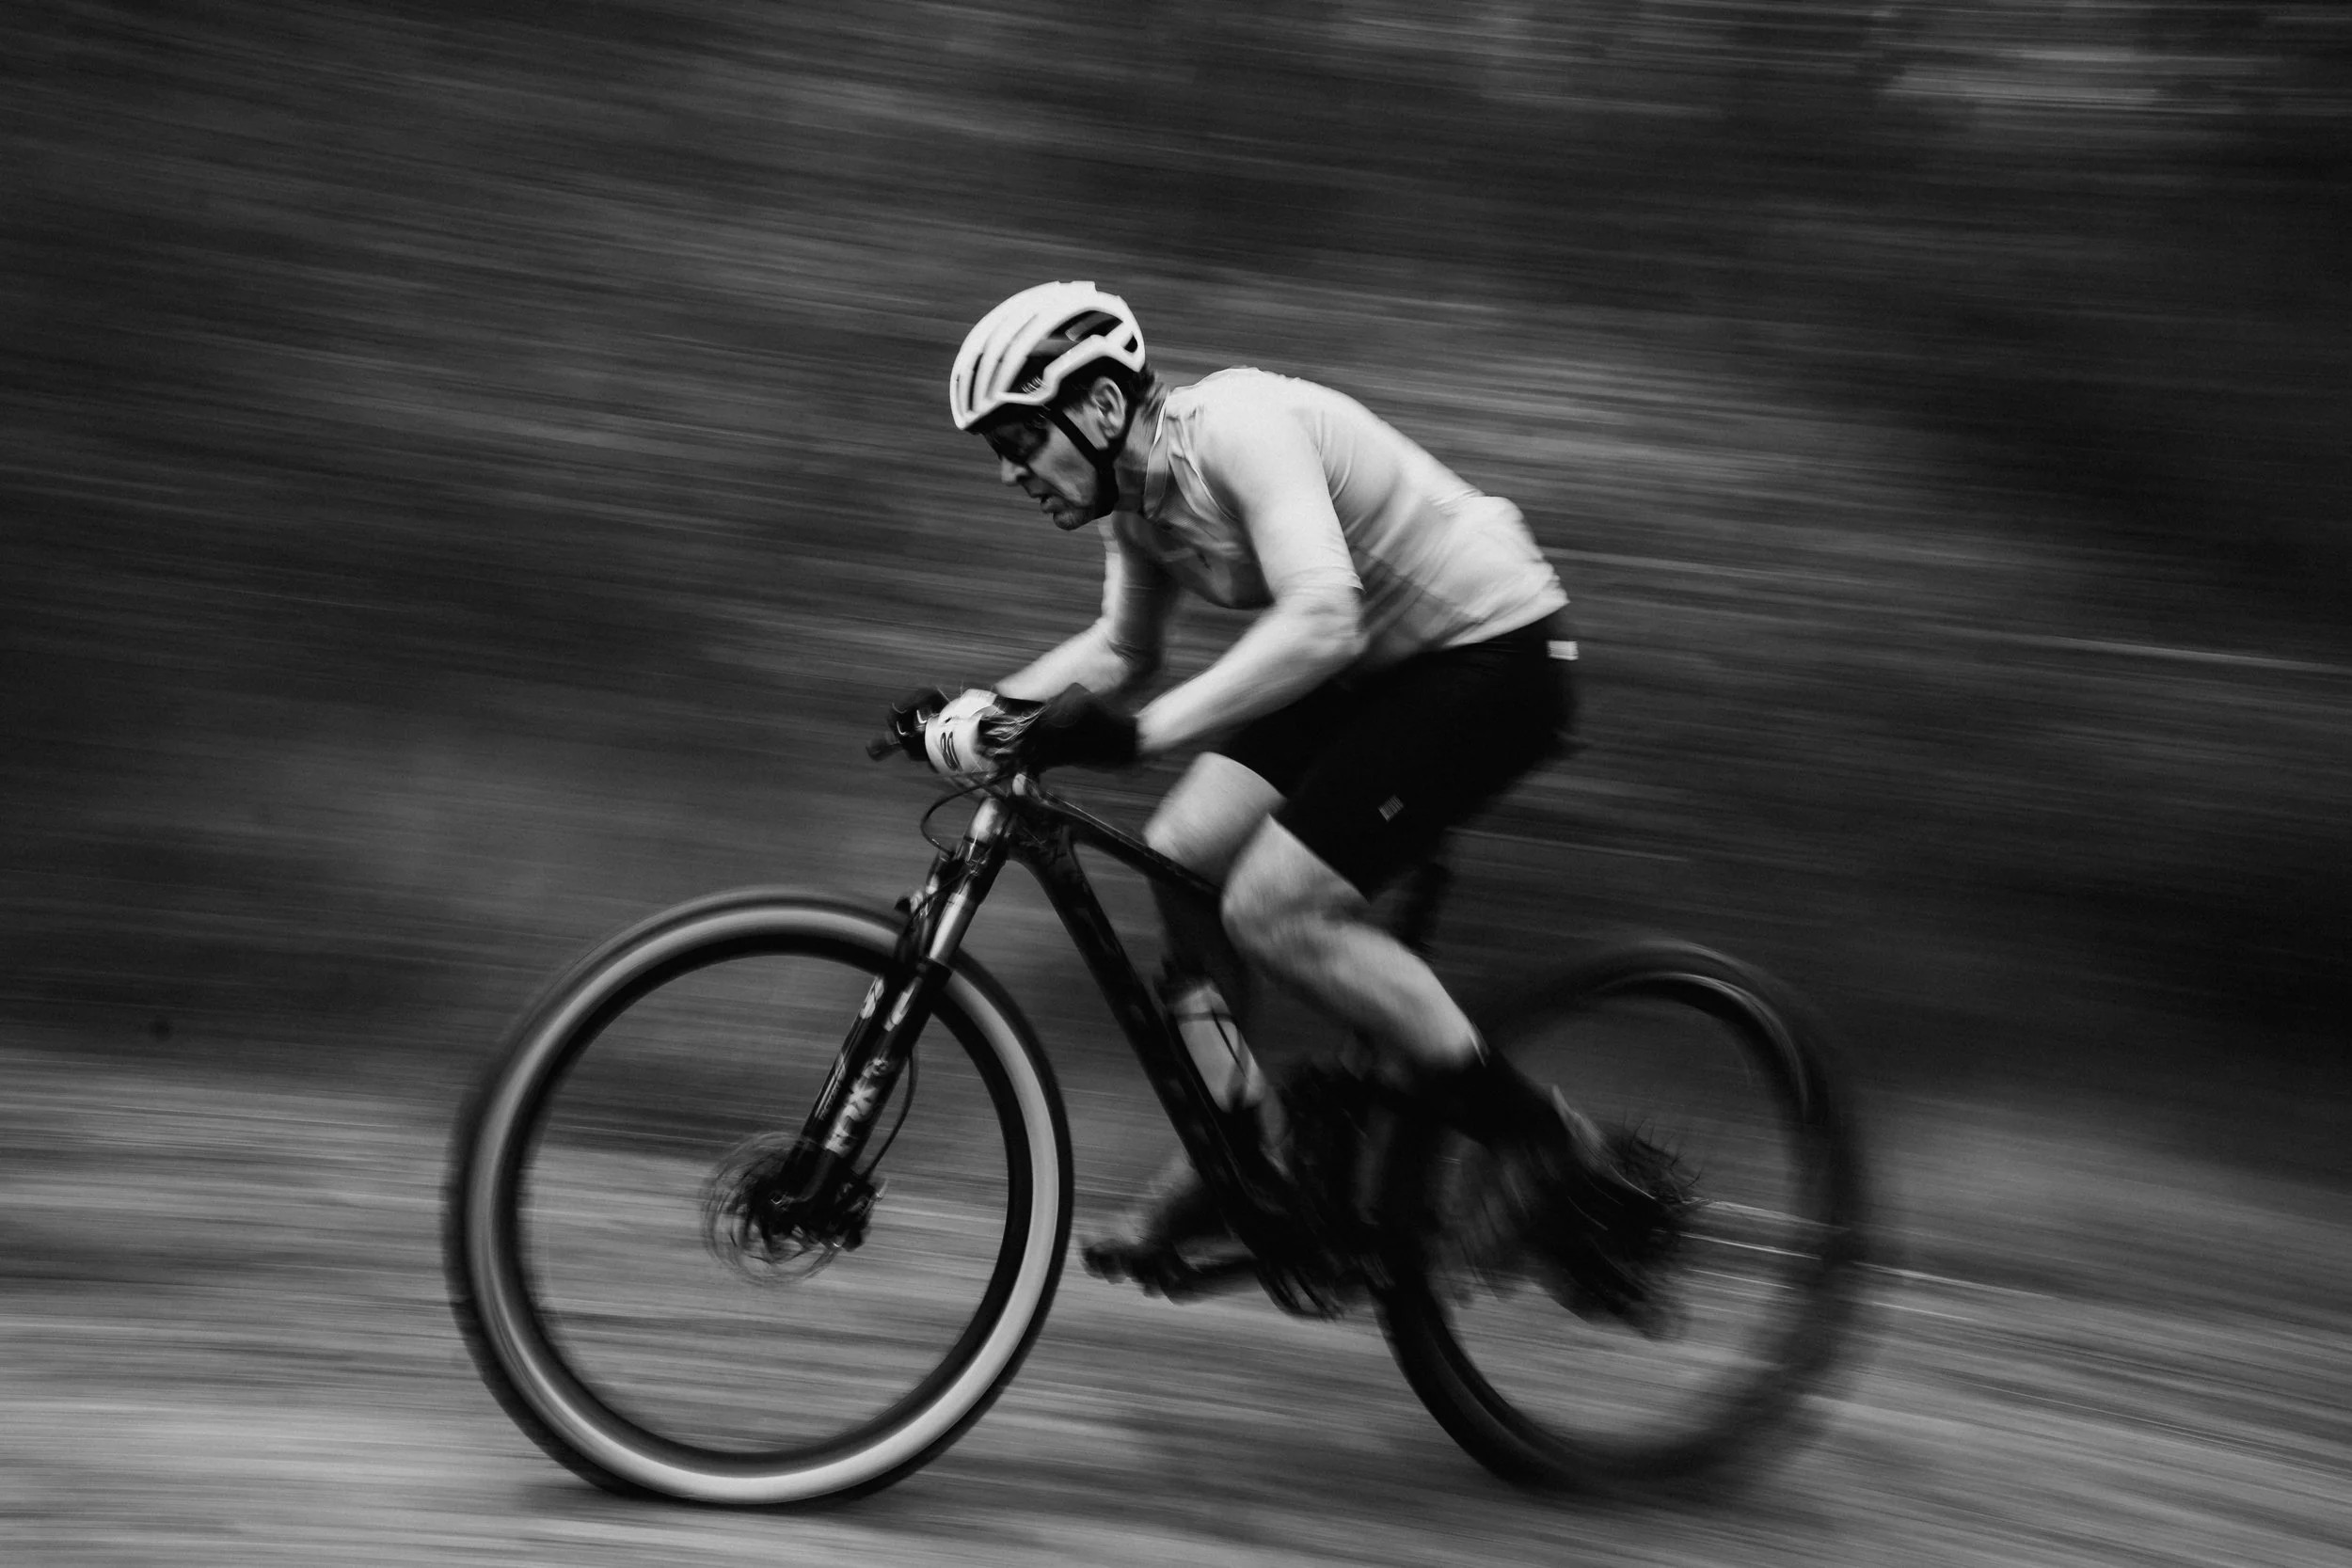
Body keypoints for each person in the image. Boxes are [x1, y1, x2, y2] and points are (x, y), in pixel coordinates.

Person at [939, 281, 1669, 1323]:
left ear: (1098, 407)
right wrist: (981, 706)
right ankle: (1242, 1145)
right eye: (996, 450)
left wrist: (1138, 734)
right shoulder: (1138, 511)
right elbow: (1121, 651)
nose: (1010, 469)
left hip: (1493, 653)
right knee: (1182, 849)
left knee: (1273, 909)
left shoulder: (1238, 428)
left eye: (1018, 437)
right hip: (1382, 666)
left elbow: (1320, 619)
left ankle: (1544, 1141)